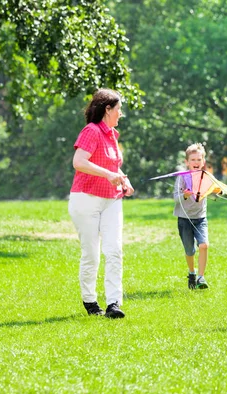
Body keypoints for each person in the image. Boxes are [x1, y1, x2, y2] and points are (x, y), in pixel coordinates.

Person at [68, 88, 134, 319]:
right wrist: (108, 174)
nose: (120, 114)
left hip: (112, 199)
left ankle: (114, 303)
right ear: (107, 109)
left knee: (114, 250)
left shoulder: (112, 136)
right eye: (118, 109)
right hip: (86, 199)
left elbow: (113, 167)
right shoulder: (92, 131)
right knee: (91, 254)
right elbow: (79, 162)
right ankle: (90, 301)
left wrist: (124, 180)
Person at [174, 143, 220, 290]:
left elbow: (217, 189)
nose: (196, 162)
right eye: (193, 160)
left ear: (203, 162)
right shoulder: (182, 177)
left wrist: (219, 191)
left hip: (200, 218)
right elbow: (176, 198)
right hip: (184, 219)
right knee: (189, 251)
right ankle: (192, 273)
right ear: (187, 162)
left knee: (204, 245)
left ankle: (201, 277)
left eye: (199, 160)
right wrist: (185, 195)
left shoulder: (206, 177)